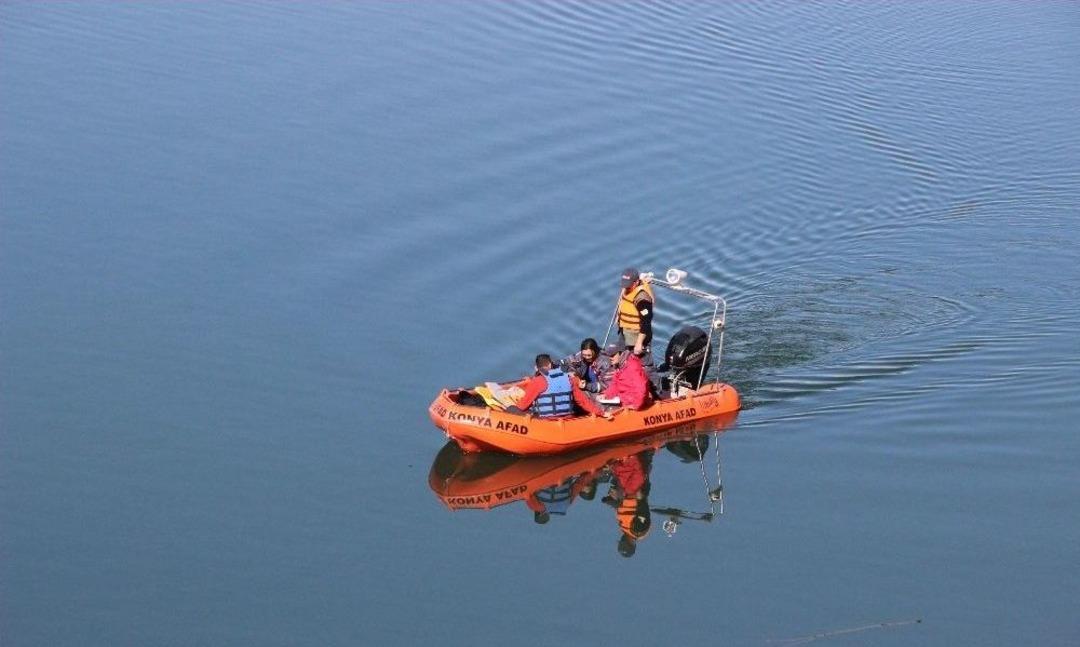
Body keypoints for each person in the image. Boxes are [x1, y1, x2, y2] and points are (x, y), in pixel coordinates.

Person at [510, 354, 611, 419]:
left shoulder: (537, 382)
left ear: (536, 368)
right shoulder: (568, 379)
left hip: (547, 421)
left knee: (511, 409)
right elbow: (583, 401)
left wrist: (515, 404)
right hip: (568, 418)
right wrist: (601, 413)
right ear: (551, 364)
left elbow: (522, 406)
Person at [616, 267, 655, 361]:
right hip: (625, 332)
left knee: (641, 365)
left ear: (636, 282)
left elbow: (646, 321)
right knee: (621, 359)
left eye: (628, 285)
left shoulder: (642, 298)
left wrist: (639, 343)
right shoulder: (627, 288)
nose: (626, 287)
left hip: (637, 336)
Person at [600, 342, 652, 410]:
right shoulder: (619, 366)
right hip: (624, 400)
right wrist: (606, 395)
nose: (610, 358)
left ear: (620, 353)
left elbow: (641, 388)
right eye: (608, 355)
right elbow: (615, 385)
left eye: (612, 355)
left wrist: (636, 405)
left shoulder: (632, 366)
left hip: (634, 403)